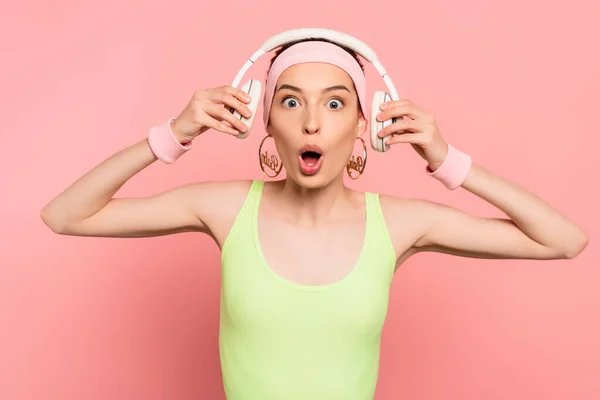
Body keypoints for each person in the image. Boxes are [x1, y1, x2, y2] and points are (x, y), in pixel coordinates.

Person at [41, 34, 589, 400]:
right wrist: (173, 134)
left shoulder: (398, 224)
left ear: (363, 124)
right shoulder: (226, 208)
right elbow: (65, 215)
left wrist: (449, 162)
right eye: (290, 101)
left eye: (333, 103)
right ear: (265, 121)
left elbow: (564, 240)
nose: (310, 124)